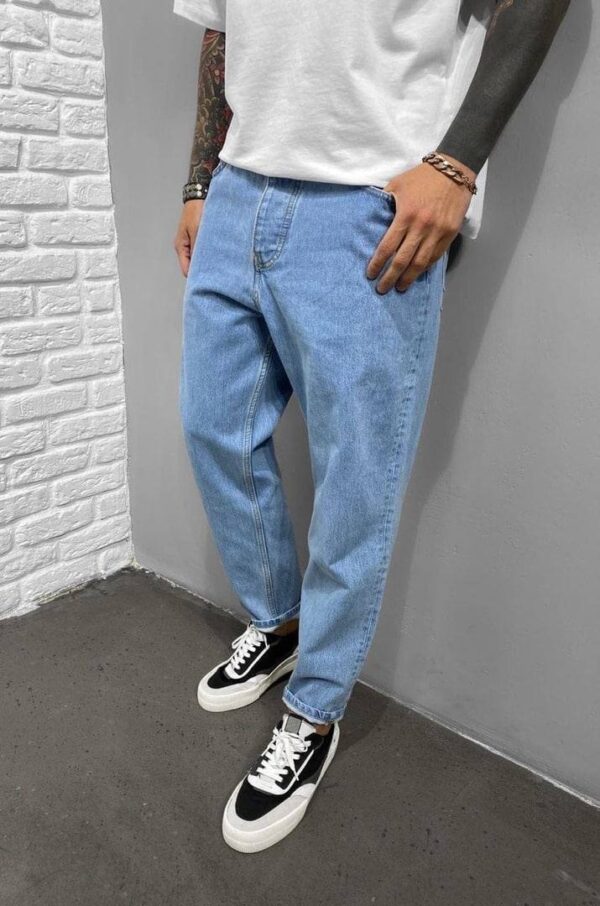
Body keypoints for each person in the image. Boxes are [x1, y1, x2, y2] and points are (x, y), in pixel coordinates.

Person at [173, 0, 571, 853]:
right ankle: (281, 623)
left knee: (357, 481)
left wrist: (457, 164)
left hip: (368, 201)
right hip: (239, 188)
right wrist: (200, 181)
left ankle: (313, 714)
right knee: (213, 429)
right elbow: (220, 26)